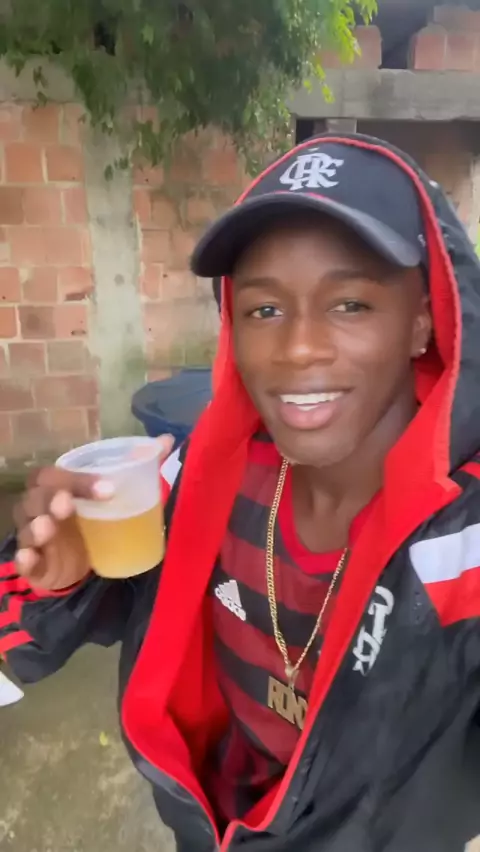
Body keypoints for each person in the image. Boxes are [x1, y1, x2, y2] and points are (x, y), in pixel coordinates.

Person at [1, 132, 480, 852]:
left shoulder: (464, 548)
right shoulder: (194, 485)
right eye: (265, 310)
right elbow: (21, 636)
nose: (298, 348)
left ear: (421, 320)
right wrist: (59, 580)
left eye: (350, 304)